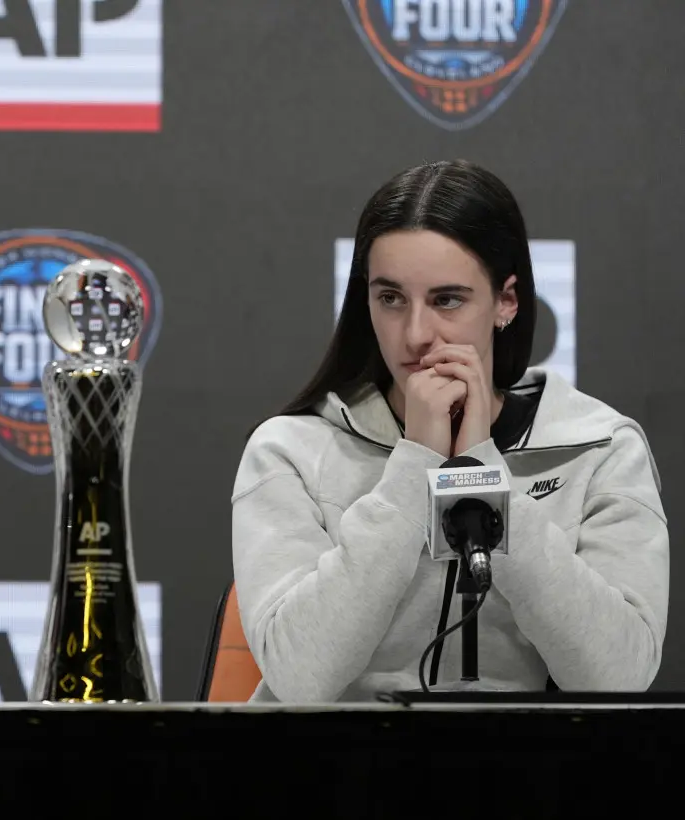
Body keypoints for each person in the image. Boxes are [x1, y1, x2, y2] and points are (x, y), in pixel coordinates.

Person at [231, 159, 669, 702]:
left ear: (506, 301)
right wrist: (415, 465)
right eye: (390, 298)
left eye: (447, 300)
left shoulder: (599, 448)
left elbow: (617, 679)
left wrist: (487, 479)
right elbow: (299, 679)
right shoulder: (291, 450)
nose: (415, 334)